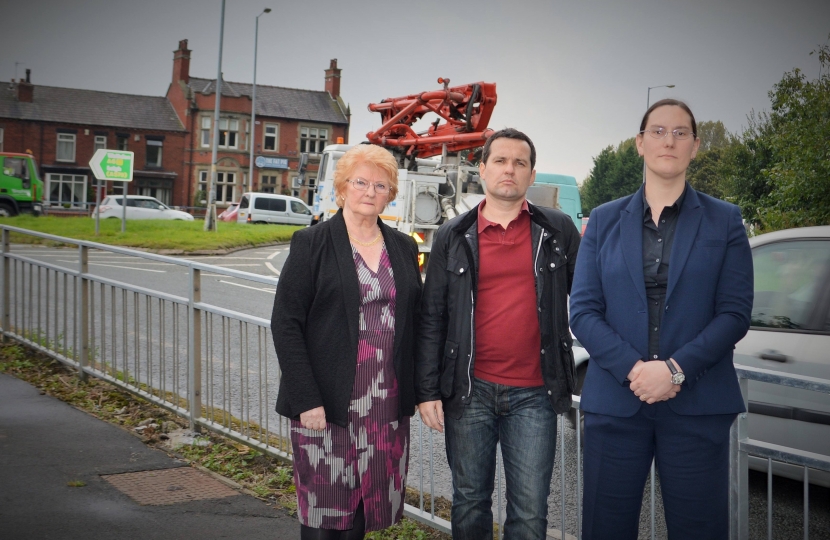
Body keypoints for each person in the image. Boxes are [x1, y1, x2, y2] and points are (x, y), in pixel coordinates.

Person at [569, 99, 754, 539]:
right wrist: (637, 370)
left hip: (696, 404)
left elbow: (734, 313)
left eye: (680, 132)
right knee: (605, 528)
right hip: (616, 401)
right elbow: (584, 310)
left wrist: (674, 371)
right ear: (639, 143)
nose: (668, 140)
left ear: (694, 146)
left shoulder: (725, 220)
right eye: (657, 131)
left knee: (699, 529)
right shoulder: (603, 221)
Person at [416, 128, 581, 539]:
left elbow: (590, 301)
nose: (510, 169)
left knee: (530, 511)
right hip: (469, 391)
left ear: (531, 174)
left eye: (520, 163)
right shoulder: (452, 236)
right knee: (470, 502)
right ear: (483, 169)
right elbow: (432, 316)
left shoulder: (558, 231)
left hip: (536, 394)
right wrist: (426, 390)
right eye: (501, 161)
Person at [271, 144, 422, 540]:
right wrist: (306, 399)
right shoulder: (312, 243)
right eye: (361, 182)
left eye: (380, 184)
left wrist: (424, 390)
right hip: (328, 403)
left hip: (385, 405)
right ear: (342, 188)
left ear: (390, 193)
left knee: (364, 511)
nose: (370, 191)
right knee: (324, 513)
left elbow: (418, 324)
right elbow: (285, 324)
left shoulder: (404, 247)